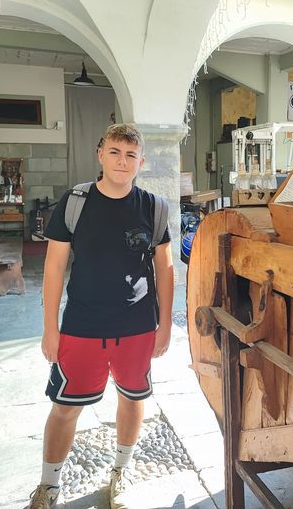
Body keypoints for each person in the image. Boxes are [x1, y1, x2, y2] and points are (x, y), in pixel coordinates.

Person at [27, 124, 175, 509]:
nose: (122, 161)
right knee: (65, 407)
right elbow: (54, 267)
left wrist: (165, 326)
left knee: (133, 397)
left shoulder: (154, 207)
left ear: (141, 161)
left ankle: (120, 474)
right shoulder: (75, 202)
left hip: (137, 326)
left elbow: (165, 269)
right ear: (100, 155)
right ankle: (48, 486)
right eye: (114, 152)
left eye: (130, 155)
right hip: (83, 325)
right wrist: (50, 328)